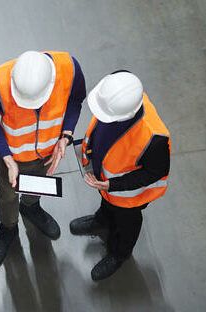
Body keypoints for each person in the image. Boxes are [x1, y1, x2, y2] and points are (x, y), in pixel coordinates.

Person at [0, 50, 85, 268]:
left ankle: (31, 207)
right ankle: (8, 228)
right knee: (7, 195)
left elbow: (76, 100)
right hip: (11, 156)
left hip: (48, 151)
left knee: (36, 186)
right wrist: (7, 159)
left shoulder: (69, 70)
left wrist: (66, 136)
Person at [70, 71, 171, 281]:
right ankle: (103, 219)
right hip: (106, 183)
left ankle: (119, 253)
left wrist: (113, 185)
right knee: (107, 205)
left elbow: (155, 172)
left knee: (128, 222)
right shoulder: (119, 94)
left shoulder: (154, 138)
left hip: (128, 197)